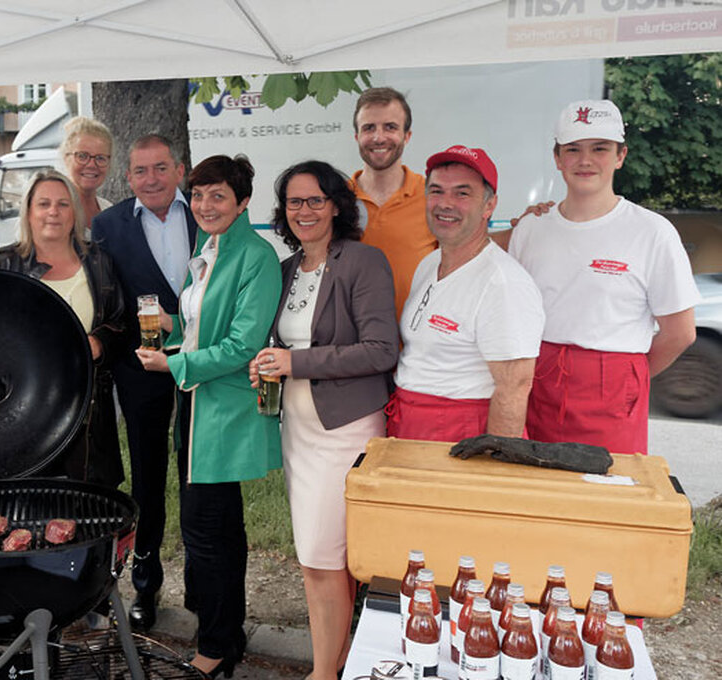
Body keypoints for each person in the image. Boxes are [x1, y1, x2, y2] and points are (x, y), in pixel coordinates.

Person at [247, 161, 398, 680]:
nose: (304, 211)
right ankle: (329, 664)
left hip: (345, 430)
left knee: (322, 556)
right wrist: (268, 364)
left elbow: (381, 350)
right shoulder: (286, 268)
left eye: (314, 200)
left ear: (336, 204)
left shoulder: (363, 261)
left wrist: (297, 363)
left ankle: (323, 672)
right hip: (299, 430)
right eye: (294, 202)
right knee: (318, 558)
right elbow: (282, 344)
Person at [136, 154, 281, 677]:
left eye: (217, 195)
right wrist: (169, 333)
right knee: (218, 530)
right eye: (197, 195)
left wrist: (174, 361)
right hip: (196, 405)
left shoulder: (255, 256)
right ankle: (225, 632)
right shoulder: (209, 247)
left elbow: (243, 344)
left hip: (224, 411)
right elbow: (199, 324)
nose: (204, 205)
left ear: (243, 201)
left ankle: (216, 649)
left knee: (207, 532)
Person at [507, 100, 698, 453]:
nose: (585, 160)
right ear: (557, 158)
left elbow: (681, 333)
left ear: (620, 155)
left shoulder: (652, 232)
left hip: (613, 384)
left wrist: (625, 379)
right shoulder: (531, 228)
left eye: (600, 148)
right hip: (538, 380)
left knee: (606, 493)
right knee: (538, 489)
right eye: (573, 149)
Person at [90, 134, 198, 631]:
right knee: (148, 479)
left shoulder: (205, 212)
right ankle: (146, 583)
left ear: (179, 170)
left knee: (201, 473)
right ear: (127, 177)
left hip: (206, 366)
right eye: (140, 171)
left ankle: (203, 582)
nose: (151, 179)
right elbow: (107, 300)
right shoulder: (107, 226)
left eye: (160, 168)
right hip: (141, 369)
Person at [387, 145, 545, 442]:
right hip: (410, 422)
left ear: (489, 206)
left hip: (461, 430)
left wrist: (493, 467)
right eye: (436, 191)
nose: (445, 203)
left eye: (462, 193)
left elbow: (514, 386)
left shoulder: (503, 283)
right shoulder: (429, 263)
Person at [0, 170, 126, 486]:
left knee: (90, 510)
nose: (53, 212)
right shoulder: (1, 264)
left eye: (63, 204)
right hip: (22, 412)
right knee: (29, 509)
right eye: (44, 203)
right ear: (28, 211)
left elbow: (121, 323)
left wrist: (99, 343)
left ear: (75, 212)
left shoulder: (99, 262)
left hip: (90, 416)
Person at [348, 86, 437, 320]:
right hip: (351, 349)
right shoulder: (336, 199)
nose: (379, 137)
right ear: (357, 136)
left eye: (390, 127)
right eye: (369, 128)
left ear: (407, 136)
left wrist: (527, 223)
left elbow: (471, 246)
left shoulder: (433, 196)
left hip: (419, 348)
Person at [60, 116, 114, 229]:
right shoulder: (53, 212)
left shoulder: (108, 209)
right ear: (66, 158)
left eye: (100, 158)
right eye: (82, 156)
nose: (91, 165)